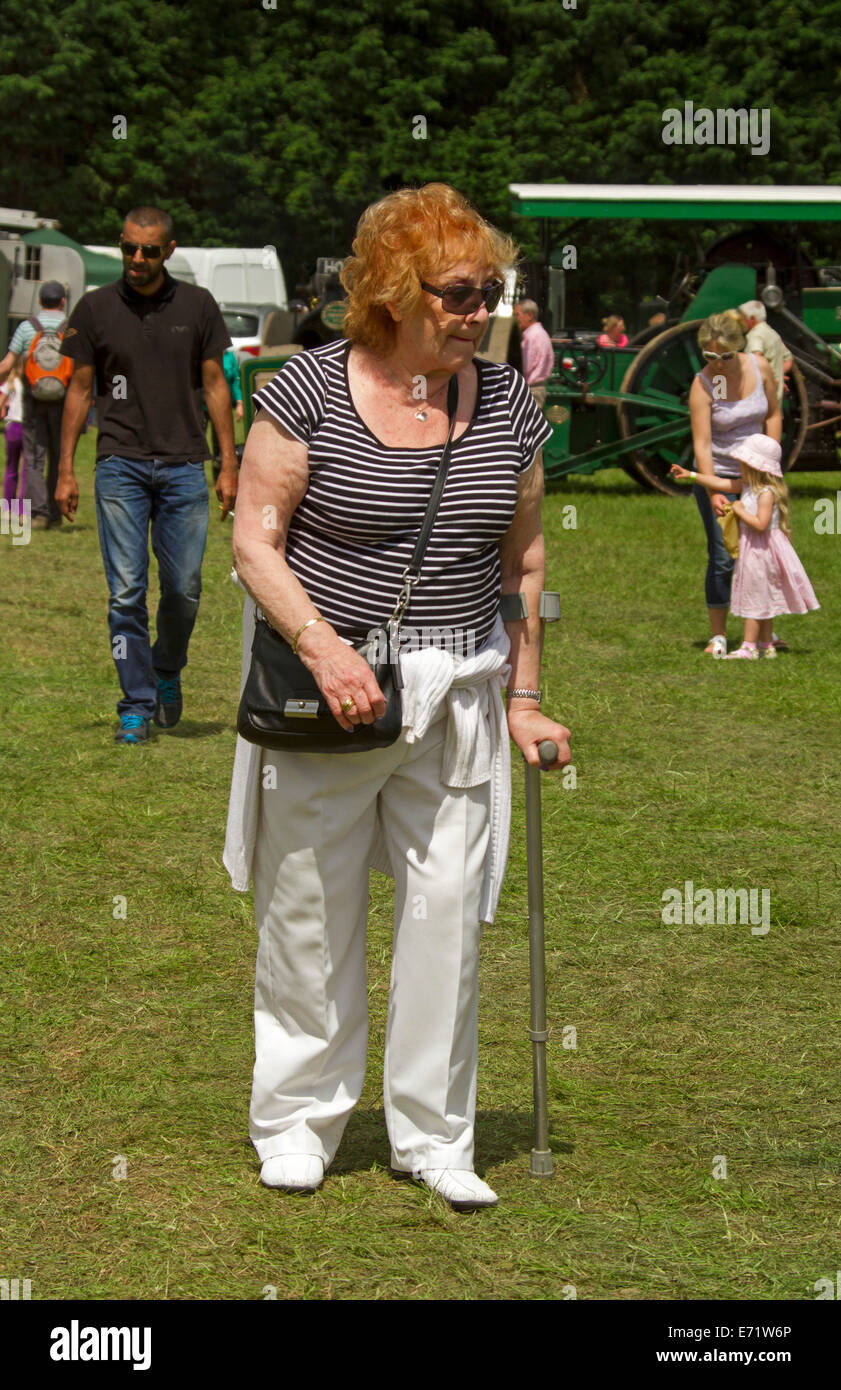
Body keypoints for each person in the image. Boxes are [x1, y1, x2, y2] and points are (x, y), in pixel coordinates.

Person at [224, 183, 571, 1210]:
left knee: (447, 914)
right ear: (390, 289)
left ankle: (433, 1134)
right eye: (460, 293)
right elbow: (255, 537)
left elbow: (526, 557)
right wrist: (323, 648)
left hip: (457, 685)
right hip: (329, 690)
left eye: (492, 292)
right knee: (307, 912)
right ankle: (297, 1119)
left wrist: (525, 697)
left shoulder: (509, 403)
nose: (481, 311)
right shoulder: (308, 391)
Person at [55, 206, 239, 744]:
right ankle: (134, 704)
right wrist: (65, 469)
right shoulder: (94, 309)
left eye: (149, 250)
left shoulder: (198, 306)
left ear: (169, 250)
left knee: (183, 589)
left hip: (185, 464)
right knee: (126, 591)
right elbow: (80, 390)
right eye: (128, 248)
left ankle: (166, 669)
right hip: (120, 463)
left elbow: (216, 387)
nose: (137, 259)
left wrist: (228, 463)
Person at [687, 311, 782, 658]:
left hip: (759, 479)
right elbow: (702, 443)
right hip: (720, 476)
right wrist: (714, 490)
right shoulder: (702, 384)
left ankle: (759, 635)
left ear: (739, 348)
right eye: (710, 357)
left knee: (762, 556)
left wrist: (769, 465)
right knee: (724, 556)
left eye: (725, 356)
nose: (718, 364)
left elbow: (772, 414)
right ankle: (719, 635)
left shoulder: (760, 368)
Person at [671, 434, 818, 658]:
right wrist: (691, 475)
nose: (738, 465)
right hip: (754, 550)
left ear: (755, 466)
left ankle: (748, 646)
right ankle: (766, 645)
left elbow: (760, 524)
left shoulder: (766, 493)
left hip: (761, 553)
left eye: (742, 462)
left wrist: (739, 510)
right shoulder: (749, 486)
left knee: (754, 598)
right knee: (763, 598)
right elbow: (720, 483)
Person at [0, 281, 70, 530]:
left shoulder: (27, 328)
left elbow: (8, 364)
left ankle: (38, 514)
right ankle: (55, 514)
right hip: (63, 402)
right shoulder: (72, 329)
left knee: (33, 458)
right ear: (63, 301)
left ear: (40, 301)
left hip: (33, 400)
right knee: (58, 457)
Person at [738, 300, 792, 403]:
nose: (740, 321)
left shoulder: (755, 335)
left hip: (760, 400)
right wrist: (777, 375)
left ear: (752, 318)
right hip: (775, 399)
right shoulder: (772, 333)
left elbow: (756, 358)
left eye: (742, 317)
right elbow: (789, 360)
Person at [513, 298, 555, 407]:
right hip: (536, 389)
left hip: (531, 391)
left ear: (530, 315)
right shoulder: (541, 333)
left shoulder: (530, 337)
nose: (515, 319)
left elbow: (525, 367)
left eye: (517, 315)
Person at [1, 364, 25, 512]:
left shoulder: (11, 381)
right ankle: (22, 511)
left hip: (12, 428)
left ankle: (7, 510)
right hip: (28, 428)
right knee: (27, 472)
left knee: (11, 469)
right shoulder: (30, 382)